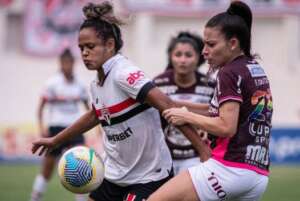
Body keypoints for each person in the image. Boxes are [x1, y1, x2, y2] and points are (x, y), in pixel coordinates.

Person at [31, 2, 211, 201]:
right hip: (114, 174)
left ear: (109, 45)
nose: (84, 53)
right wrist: (55, 141)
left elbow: (168, 107)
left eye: (90, 47)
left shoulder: (125, 74)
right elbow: (94, 115)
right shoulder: (97, 84)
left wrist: (202, 149)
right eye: (81, 48)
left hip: (148, 176)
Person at [148, 1, 273, 201]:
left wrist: (186, 116)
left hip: (229, 169)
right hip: (257, 174)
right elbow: (222, 111)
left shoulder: (229, 72)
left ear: (232, 43)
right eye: (205, 43)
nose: (204, 50)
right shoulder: (253, 67)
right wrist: (180, 106)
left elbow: (226, 127)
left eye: (211, 44)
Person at [30, 48, 90, 201]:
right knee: (47, 169)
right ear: (61, 63)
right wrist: (41, 128)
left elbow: (88, 108)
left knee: (80, 168)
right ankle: (35, 198)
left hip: (75, 129)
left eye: (70, 62)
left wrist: (98, 128)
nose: (67, 65)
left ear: (73, 63)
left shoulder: (80, 84)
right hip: (56, 129)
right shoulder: (52, 83)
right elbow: (40, 108)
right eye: (65, 62)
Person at [153, 31, 214, 174]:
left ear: (199, 57)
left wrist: (206, 127)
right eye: (178, 54)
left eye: (188, 55)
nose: (183, 60)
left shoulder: (210, 85)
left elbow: (218, 115)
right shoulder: (158, 84)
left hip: (197, 156)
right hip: (164, 157)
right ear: (170, 57)